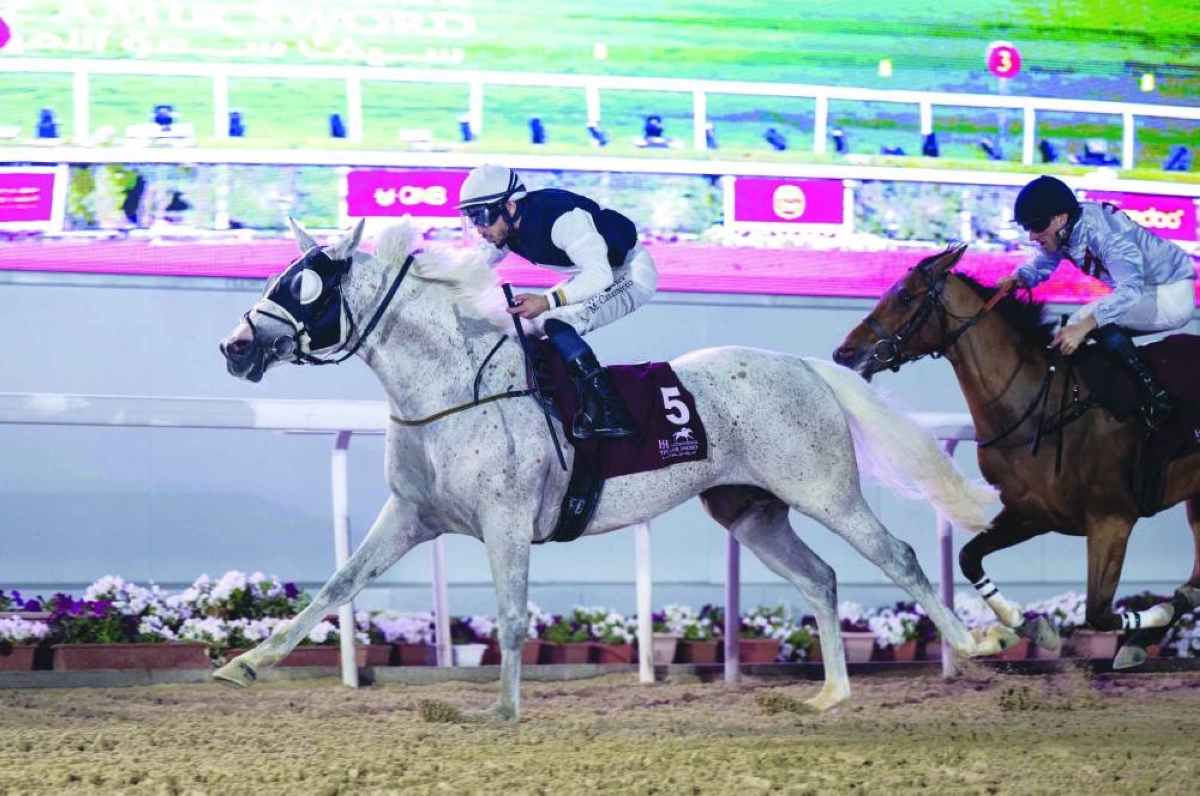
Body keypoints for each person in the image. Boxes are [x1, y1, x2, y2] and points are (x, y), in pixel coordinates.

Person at [457, 164, 658, 440]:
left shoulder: (561, 217)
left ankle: (612, 410)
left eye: (481, 216)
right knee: (527, 326)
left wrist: (546, 301)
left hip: (629, 273)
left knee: (556, 321)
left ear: (510, 207)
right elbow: (469, 267)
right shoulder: (505, 228)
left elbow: (599, 275)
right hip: (598, 274)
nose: (479, 228)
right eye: (472, 218)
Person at [996, 175, 1196, 434]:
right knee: (1086, 321)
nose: (1032, 235)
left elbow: (1130, 291)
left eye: (1036, 226)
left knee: (1084, 320)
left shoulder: (1105, 234)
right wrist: (1018, 278)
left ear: (1061, 218)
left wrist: (1085, 326)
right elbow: (1043, 261)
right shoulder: (1067, 228)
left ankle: (1156, 398)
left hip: (1170, 293)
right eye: (1027, 227)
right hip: (1149, 289)